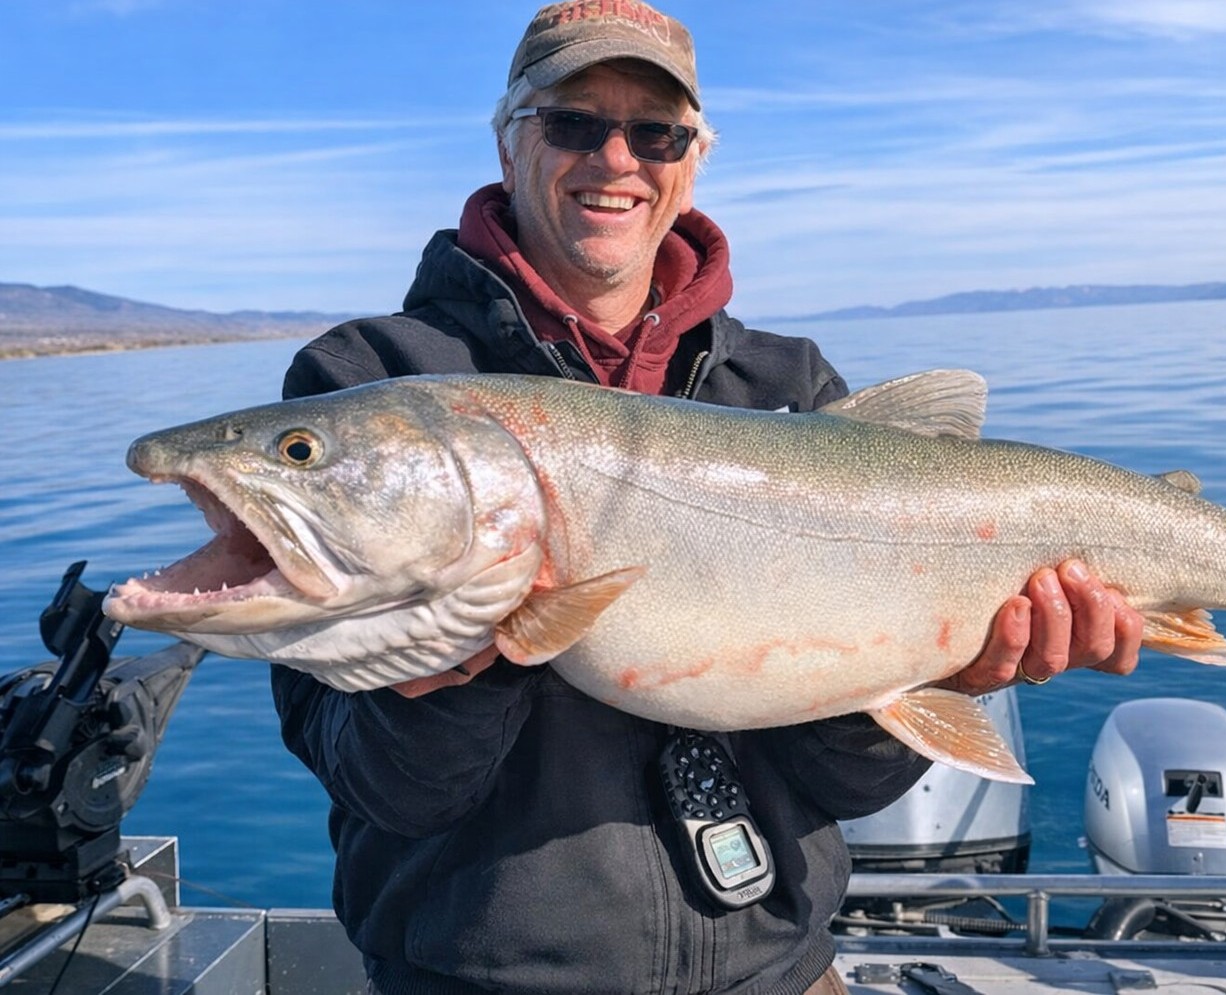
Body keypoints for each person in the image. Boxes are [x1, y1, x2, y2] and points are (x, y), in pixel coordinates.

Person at [272, 3, 1143, 993]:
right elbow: (383, 784)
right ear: (507, 141)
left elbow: (846, 780)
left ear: (694, 159)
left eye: (656, 132)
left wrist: (960, 666)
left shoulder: (791, 389)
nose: (615, 159)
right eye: (571, 122)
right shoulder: (373, 386)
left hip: (785, 971)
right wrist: (475, 655)